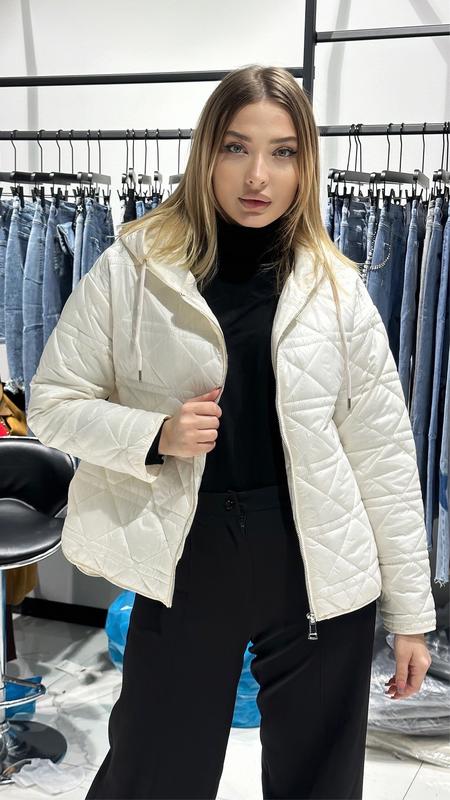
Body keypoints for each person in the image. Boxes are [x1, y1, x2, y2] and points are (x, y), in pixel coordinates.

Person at [27, 65, 436, 800]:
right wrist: (155, 433)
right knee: (154, 774)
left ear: (306, 164)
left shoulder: (336, 287)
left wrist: (411, 615)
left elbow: (383, 453)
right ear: (205, 153)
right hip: (189, 549)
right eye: (236, 147)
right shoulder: (134, 269)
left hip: (316, 559)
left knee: (319, 781)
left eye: (283, 152)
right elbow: (52, 403)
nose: (258, 176)